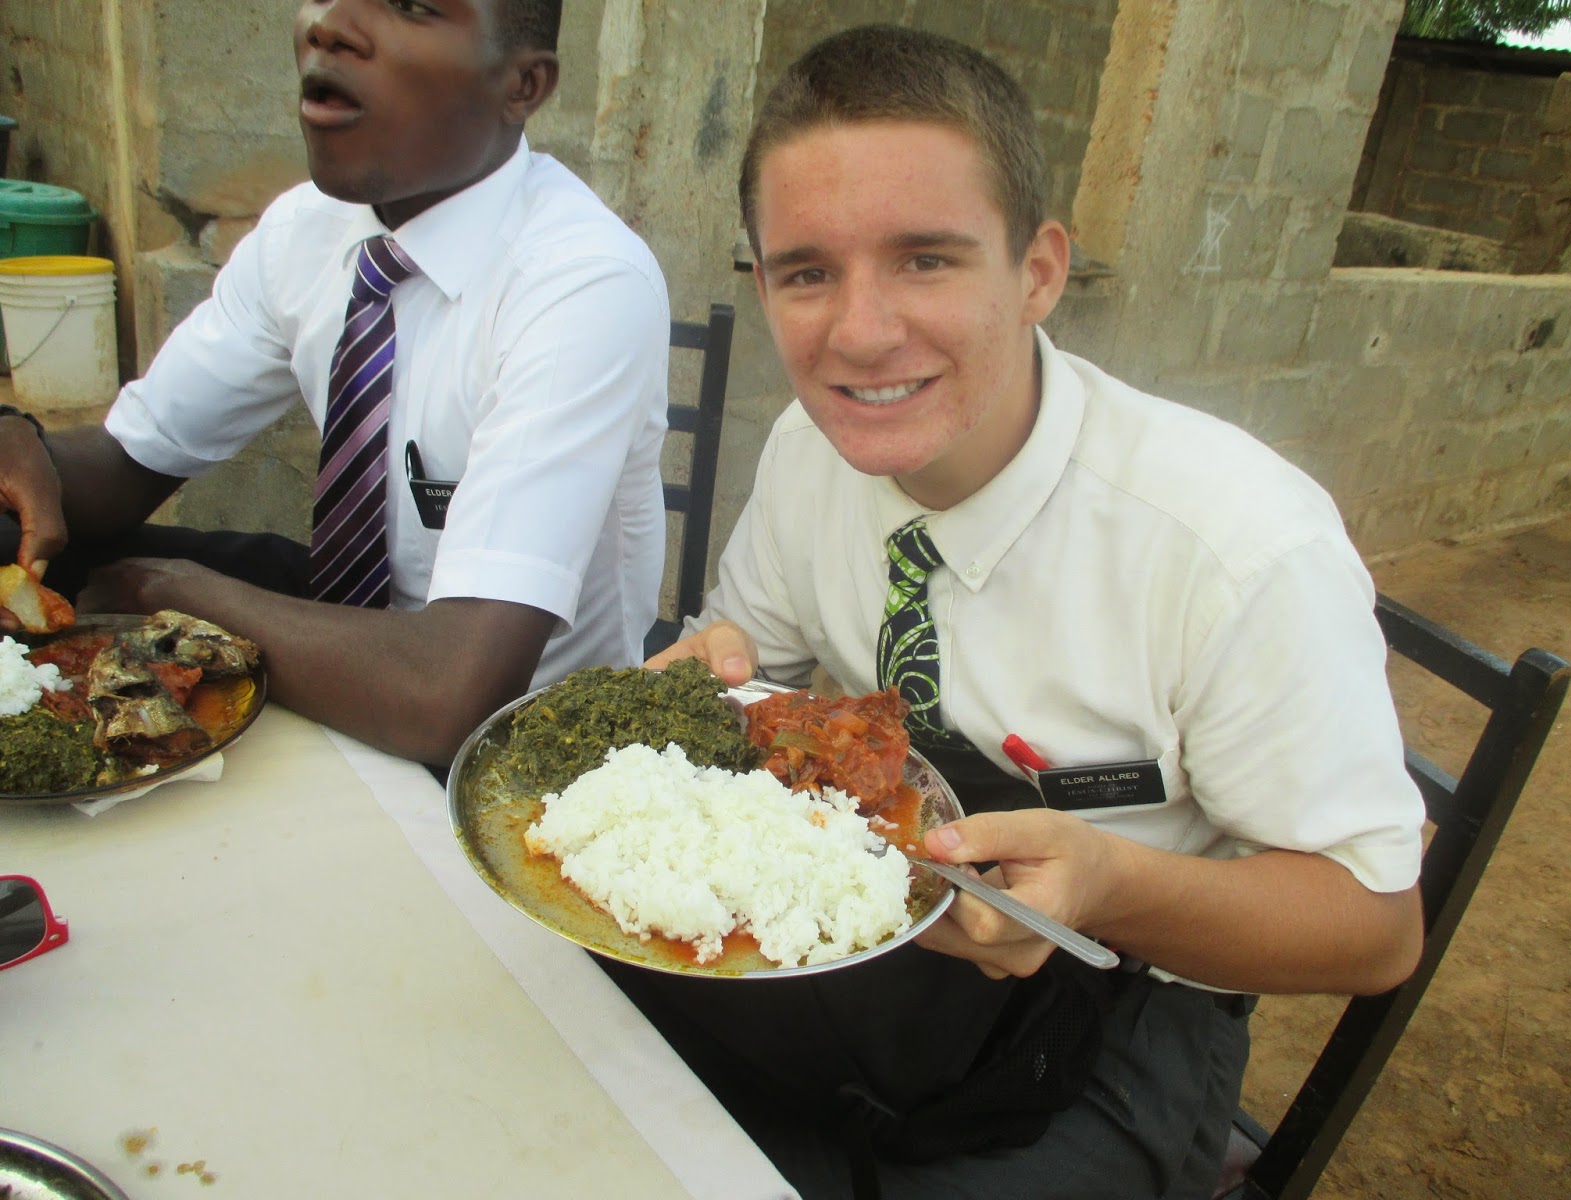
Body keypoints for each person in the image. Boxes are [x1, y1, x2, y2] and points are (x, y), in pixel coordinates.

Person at [632, 24, 1427, 1199]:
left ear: (1039, 271)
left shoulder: (1233, 547)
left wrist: (1107, 882)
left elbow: (1375, 930)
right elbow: (759, 671)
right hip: (872, 920)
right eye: (806, 272)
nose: (860, 332)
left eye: (925, 260)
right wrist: (715, 682)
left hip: (1126, 997)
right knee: (595, 1058)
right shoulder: (810, 452)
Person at [0, 0, 670, 767]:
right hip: (348, 630)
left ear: (522, 85)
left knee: (149, 587)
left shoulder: (580, 282)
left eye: (410, 5)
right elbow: (129, 463)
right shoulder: (307, 229)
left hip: (513, 738)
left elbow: (450, 695)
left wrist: (166, 593)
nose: (330, 26)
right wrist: (25, 447)